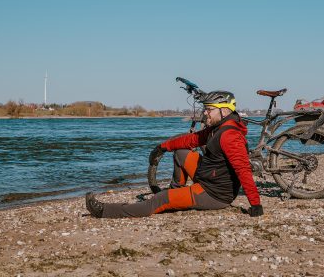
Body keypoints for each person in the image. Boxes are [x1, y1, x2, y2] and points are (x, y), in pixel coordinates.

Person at [85, 91, 263, 218]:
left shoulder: (230, 136)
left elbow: (243, 170)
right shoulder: (216, 129)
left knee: (159, 199)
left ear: (224, 111)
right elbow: (190, 140)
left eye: (209, 109)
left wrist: (255, 204)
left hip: (214, 194)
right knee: (181, 152)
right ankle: (178, 191)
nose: (205, 112)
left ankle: (105, 211)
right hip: (207, 176)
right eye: (205, 109)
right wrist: (161, 147)